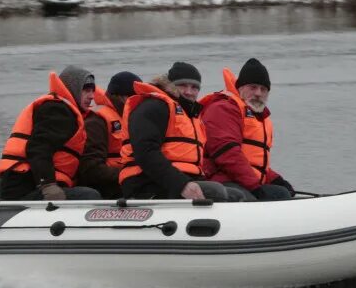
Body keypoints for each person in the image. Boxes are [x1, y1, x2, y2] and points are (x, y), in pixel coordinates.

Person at [118, 62, 243, 201]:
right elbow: (145, 153)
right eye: (183, 85)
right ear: (171, 85)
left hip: (181, 180)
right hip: (146, 182)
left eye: (194, 87)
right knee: (217, 191)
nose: (189, 92)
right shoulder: (153, 106)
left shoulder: (191, 116)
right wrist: (182, 185)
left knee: (235, 194)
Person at [0, 66, 102, 201]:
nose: (92, 96)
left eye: (93, 90)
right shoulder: (58, 110)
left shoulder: (65, 110)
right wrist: (48, 185)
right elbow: (38, 148)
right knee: (90, 196)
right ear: (74, 89)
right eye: (86, 90)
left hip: (31, 185)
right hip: (24, 189)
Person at [200, 58, 295, 201]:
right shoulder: (223, 109)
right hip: (222, 180)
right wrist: (254, 186)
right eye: (253, 87)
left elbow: (254, 161)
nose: (258, 93)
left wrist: (275, 179)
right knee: (252, 199)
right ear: (240, 88)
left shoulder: (259, 118)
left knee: (281, 192)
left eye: (263, 89)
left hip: (246, 181)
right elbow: (228, 155)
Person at [76, 71, 142, 199]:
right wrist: (131, 174)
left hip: (126, 182)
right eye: (135, 98)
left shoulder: (129, 119)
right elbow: (90, 170)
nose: (139, 103)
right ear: (120, 97)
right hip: (108, 188)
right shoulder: (97, 120)